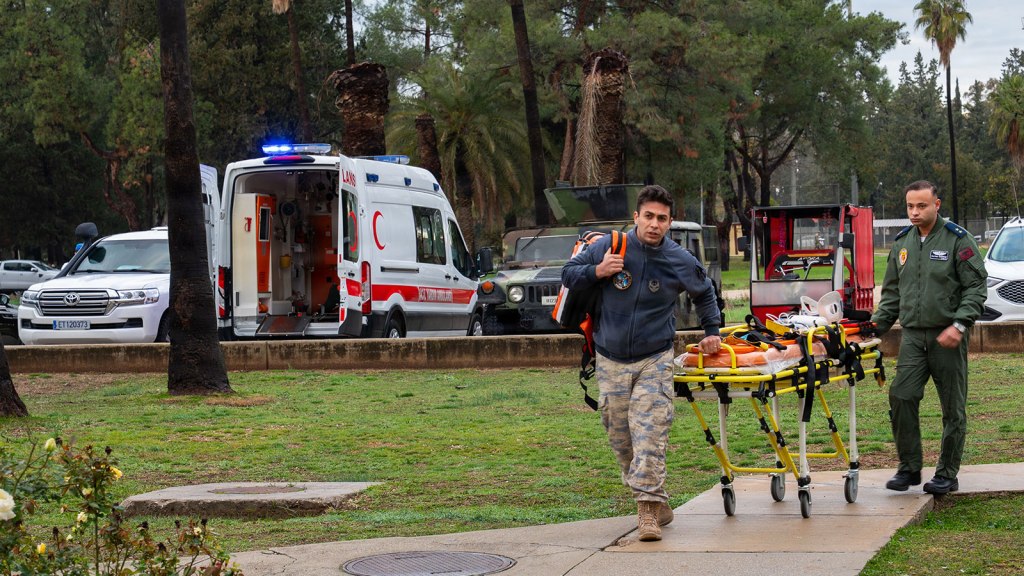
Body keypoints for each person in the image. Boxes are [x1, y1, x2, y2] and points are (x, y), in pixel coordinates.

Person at [561, 184, 721, 541]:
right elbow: (569, 274)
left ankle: (647, 513)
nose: (654, 224)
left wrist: (712, 331)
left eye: (661, 219)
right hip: (609, 358)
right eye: (648, 216)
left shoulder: (678, 259)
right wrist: (598, 271)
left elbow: (705, 292)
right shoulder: (610, 246)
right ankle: (656, 500)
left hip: (655, 359)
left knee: (650, 434)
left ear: (670, 222)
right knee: (621, 439)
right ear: (636, 217)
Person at [872, 180, 987, 495]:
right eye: (910, 206)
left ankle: (947, 474)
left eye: (921, 205)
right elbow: (892, 294)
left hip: (947, 337)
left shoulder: (956, 240)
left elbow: (976, 287)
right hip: (912, 337)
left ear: (937, 204)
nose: (914, 212)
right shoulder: (902, 243)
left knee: (953, 407)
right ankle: (909, 468)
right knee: (902, 396)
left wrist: (960, 325)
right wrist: (874, 329)